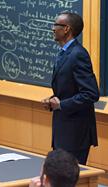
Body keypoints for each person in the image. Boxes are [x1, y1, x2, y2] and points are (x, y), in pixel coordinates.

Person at [42, 12, 99, 165]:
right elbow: (69, 89)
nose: (52, 29)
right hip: (64, 129)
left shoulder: (78, 54)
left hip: (75, 133)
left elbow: (91, 93)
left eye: (56, 25)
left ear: (66, 29)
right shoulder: (64, 53)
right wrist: (53, 100)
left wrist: (61, 105)